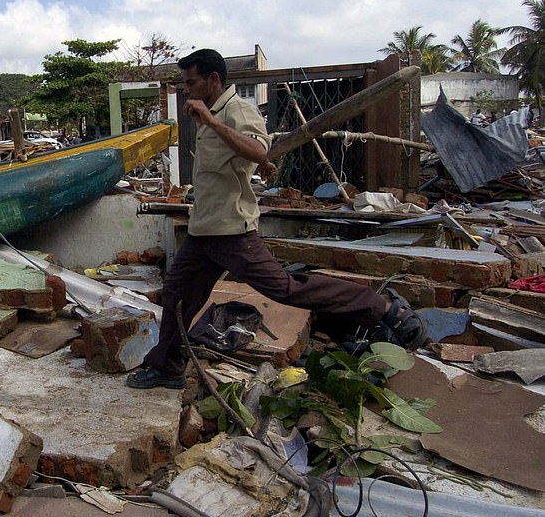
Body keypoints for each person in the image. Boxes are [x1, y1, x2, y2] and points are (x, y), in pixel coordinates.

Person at [126, 49, 427, 389]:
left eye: (192, 82)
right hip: (203, 229)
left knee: (283, 288)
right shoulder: (215, 113)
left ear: (213, 79)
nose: (187, 89)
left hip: (230, 230)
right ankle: (167, 367)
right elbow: (242, 158)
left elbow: (258, 150)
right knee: (178, 294)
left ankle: (381, 308)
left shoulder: (236, 110)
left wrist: (214, 124)